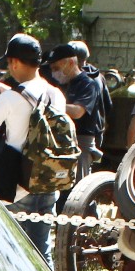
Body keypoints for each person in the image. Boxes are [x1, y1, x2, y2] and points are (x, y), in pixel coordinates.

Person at [0, 32, 64, 257]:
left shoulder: (9, 99)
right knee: (41, 251)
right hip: (47, 181)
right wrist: (9, 93)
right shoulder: (55, 94)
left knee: (13, 254)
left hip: (19, 186)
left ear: (15, 62)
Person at [46, 42, 105, 178]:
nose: (54, 73)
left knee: (76, 193)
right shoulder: (62, 85)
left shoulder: (88, 84)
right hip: (60, 141)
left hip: (80, 144)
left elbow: (78, 111)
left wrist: (51, 105)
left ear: (71, 63)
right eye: (52, 69)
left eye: (57, 68)